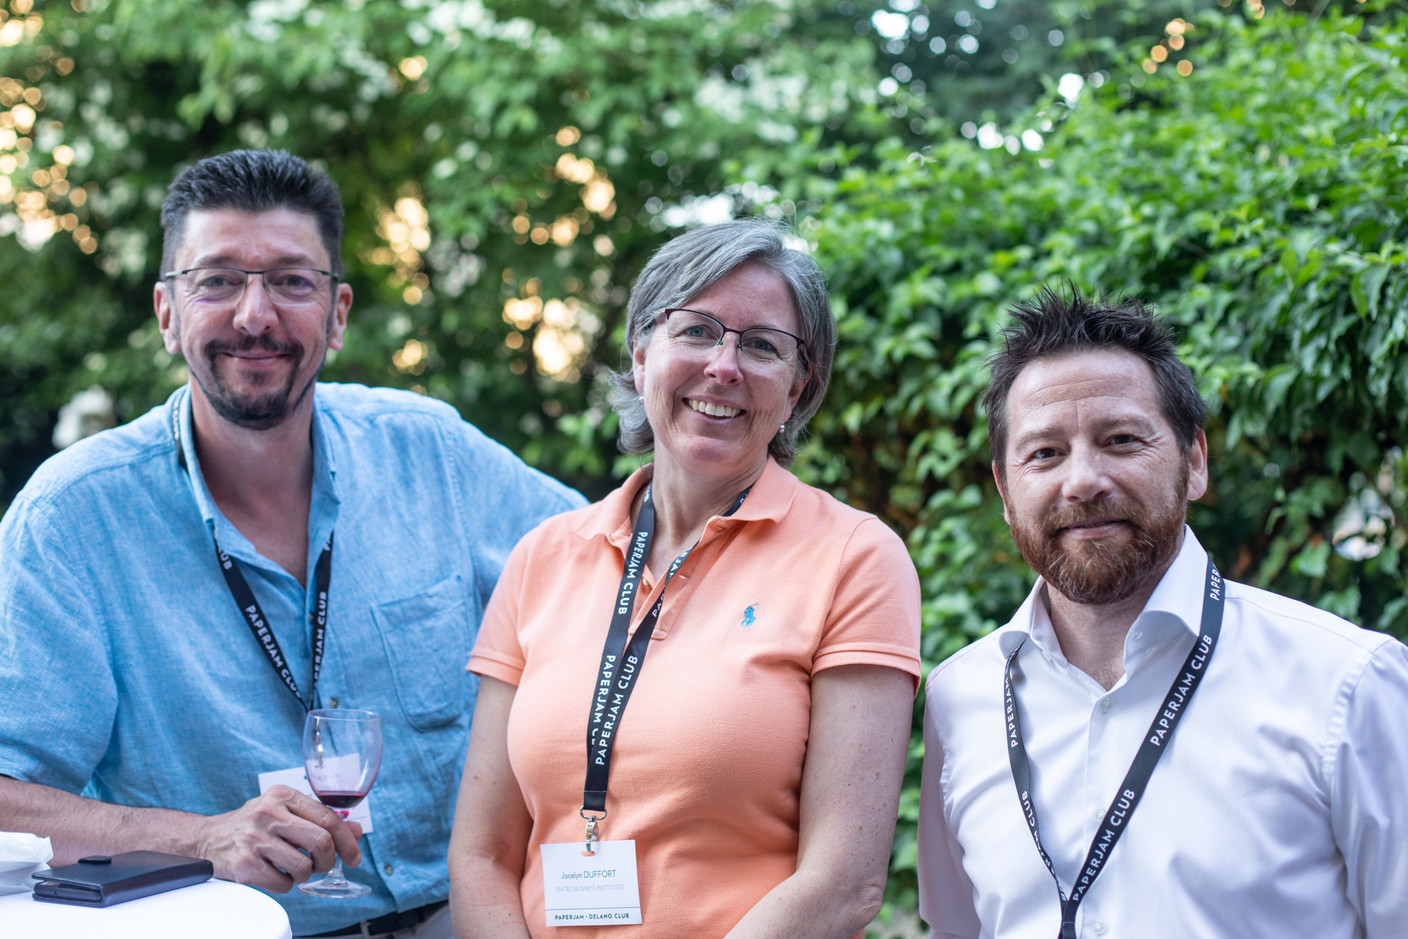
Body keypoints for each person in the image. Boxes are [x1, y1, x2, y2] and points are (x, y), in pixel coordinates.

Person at [0, 149, 583, 938]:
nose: (254, 314)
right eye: (216, 280)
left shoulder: (429, 453)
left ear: (338, 313)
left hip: (480, 917)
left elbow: (613, 579)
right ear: (167, 313)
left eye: (290, 281)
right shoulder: (71, 521)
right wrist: (202, 837)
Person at [447, 219, 922, 937]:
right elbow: (482, 854)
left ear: (798, 387)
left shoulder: (855, 557)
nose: (724, 366)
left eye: (761, 345)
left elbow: (843, 882)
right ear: (642, 356)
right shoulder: (541, 557)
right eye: (696, 331)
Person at [917, 286, 1408, 938]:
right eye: (1045, 452)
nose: (1083, 479)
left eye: (1121, 439)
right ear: (1006, 491)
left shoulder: (1350, 684)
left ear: (1194, 459)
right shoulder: (960, 696)